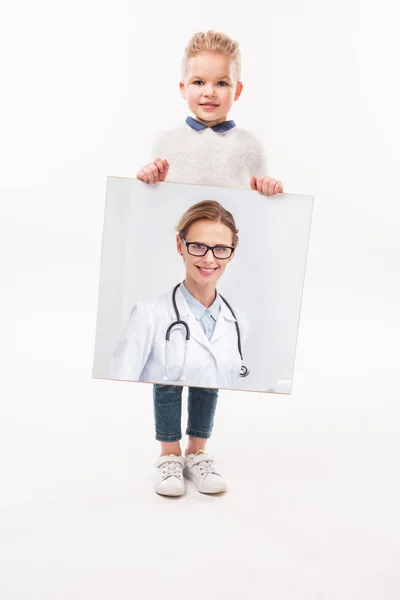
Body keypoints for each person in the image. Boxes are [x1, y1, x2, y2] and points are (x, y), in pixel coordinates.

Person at [136, 30, 284, 496]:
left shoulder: (248, 146)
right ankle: (168, 456)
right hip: (181, 273)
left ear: (236, 90)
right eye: (199, 82)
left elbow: (255, 205)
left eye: (221, 84)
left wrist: (268, 190)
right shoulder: (167, 140)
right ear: (182, 87)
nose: (209, 92)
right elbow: (151, 202)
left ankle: (198, 452)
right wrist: (148, 177)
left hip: (215, 276)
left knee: (207, 367)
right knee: (168, 363)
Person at [109, 200, 247, 389]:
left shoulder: (238, 322)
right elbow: (117, 390)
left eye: (220, 249)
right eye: (198, 246)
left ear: (232, 253)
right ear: (180, 246)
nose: (209, 259)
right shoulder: (148, 316)